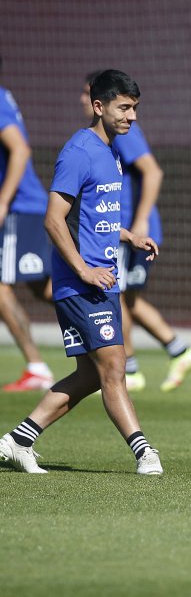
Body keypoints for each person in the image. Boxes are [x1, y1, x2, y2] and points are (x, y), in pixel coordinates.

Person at [0, 69, 163, 475]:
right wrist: (84, 270)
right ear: (98, 106)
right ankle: (145, 453)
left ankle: (17, 441)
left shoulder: (111, 151)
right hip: (82, 284)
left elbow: (91, 217)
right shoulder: (78, 151)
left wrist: (127, 235)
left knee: (91, 375)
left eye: (135, 108)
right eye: (124, 108)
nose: (132, 116)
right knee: (113, 367)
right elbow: (54, 220)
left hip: (102, 278)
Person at [81, 75, 191, 393]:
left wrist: (142, 221)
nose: (82, 100)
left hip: (130, 229)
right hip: (121, 229)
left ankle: (131, 368)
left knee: (117, 295)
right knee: (128, 298)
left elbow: (152, 171)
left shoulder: (123, 131)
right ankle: (178, 351)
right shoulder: (98, 138)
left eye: (86, 93)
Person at [0, 56, 56, 392]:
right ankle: (106, 343)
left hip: (19, 208)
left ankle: (36, 366)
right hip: (26, 207)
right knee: (46, 288)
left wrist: (3, 201)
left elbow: (20, 150)